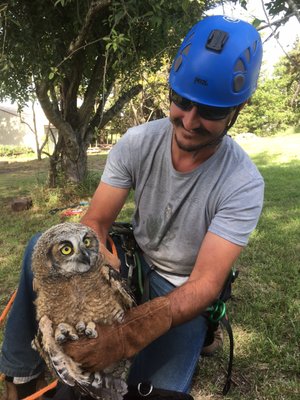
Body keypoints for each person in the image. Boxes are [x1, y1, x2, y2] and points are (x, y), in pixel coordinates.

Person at [0, 15, 264, 400]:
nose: (189, 121)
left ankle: (202, 336)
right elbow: (95, 222)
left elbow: (206, 283)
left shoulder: (243, 182)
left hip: (181, 289)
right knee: (45, 244)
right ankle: (20, 377)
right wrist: (91, 277)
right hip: (132, 261)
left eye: (209, 111)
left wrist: (127, 335)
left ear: (237, 109)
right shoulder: (138, 142)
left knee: (143, 391)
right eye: (182, 101)